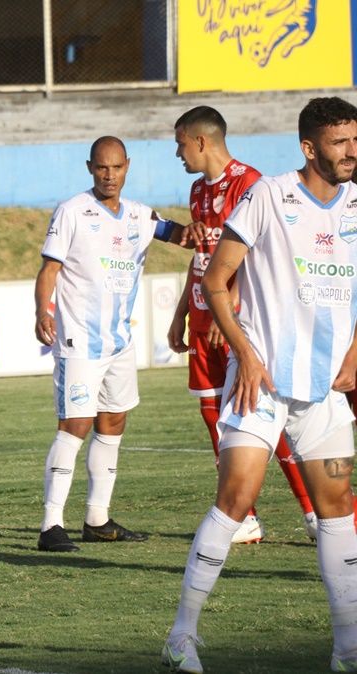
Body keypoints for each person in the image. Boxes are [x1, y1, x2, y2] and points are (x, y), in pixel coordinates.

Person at [162, 97, 357, 673]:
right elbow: (218, 279)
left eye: (355, 139)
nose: (352, 150)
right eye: (340, 142)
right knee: (238, 496)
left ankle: (348, 648)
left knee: (338, 506)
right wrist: (245, 355)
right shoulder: (269, 195)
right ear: (309, 147)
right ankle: (181, 637)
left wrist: (353, 352)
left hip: (321, 390)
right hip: (261, 383)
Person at [33, 136, 201, 553]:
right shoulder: (72, 212)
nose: (109, 175)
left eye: (117, 167)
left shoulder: (141, 215)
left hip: (120, 342)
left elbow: (180, 236)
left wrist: (198, 229)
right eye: (101, 168)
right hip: (79, 340)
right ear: (90, 167)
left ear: (128, 166)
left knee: (113, 423)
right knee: (75, 426)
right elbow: (49, 269)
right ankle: (51, 524)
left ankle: (97, 518)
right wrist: (43, 310)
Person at [165, 105, 318, 544]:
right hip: (201, 318)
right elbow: (205, 260)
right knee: (214, 415)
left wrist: (227, 307)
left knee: (266, 415)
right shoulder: (197, 191)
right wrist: (181, 314)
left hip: (236, 322)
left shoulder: (250, 184)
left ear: (201, 140)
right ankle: (244, 517)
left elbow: (262, 253)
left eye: (180, 142)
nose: (177, 151)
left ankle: (311, 512)